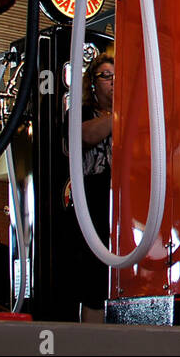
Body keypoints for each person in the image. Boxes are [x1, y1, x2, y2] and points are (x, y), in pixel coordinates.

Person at [65, 48, 114, 322]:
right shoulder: (82, 112)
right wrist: (119, 116)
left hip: (125, 202)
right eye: (105, 76)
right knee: (94, 277)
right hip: (93, 198)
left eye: (117, 76)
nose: (112, 81)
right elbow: (86, 136)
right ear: (92, 83)